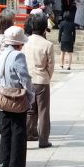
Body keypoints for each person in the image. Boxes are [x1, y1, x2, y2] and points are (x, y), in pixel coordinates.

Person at [0, 25, 34, 167]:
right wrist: (30, 95)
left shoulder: (3, 54)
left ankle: (5, 163)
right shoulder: (18, 56)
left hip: (4, 93)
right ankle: (16, 166)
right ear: (19, 42)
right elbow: (24, 78)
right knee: (18, 131)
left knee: (6, 130)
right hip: (16, 95)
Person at [23, 12, 55, 147]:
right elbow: (51, 65)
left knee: (30, 110)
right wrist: (47, 76)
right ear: (43, 28)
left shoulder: (25, 42)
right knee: (43, 111)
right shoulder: (47, 44)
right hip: (41, 80)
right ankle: (43, 139)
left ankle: (29, 134)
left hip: (28, 80)